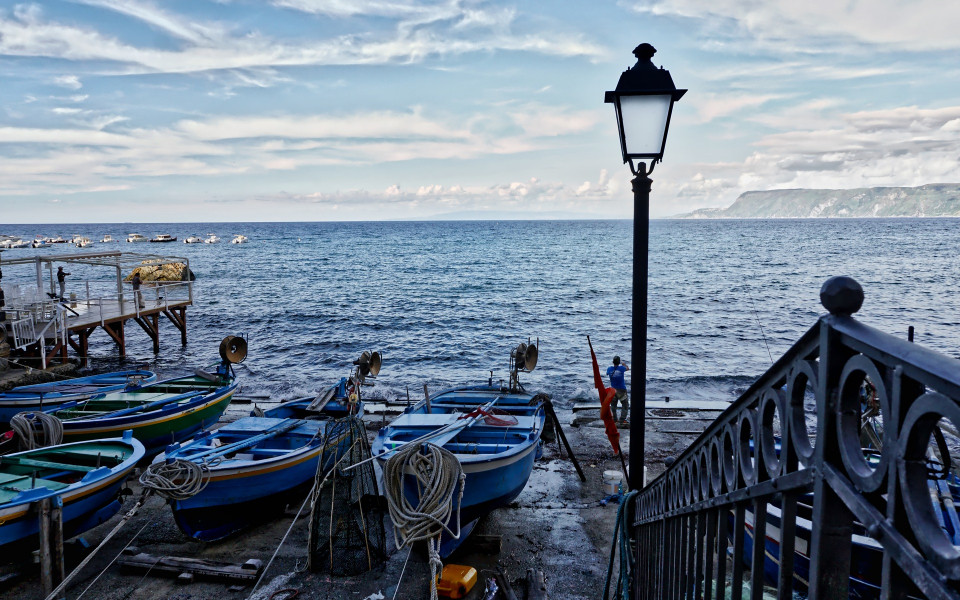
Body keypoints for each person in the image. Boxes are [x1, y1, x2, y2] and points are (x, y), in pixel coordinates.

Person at [606, 355, 630, 423]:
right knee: (625, 405)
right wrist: (623, 363)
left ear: (613, 362)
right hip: (621, 389)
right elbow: (627, 368)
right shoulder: (622, 368)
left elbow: (607, 373)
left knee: (613, 405)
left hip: (613, 390)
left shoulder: (609, 369)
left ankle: (614, 419)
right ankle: (622, 419)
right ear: (619, 362)